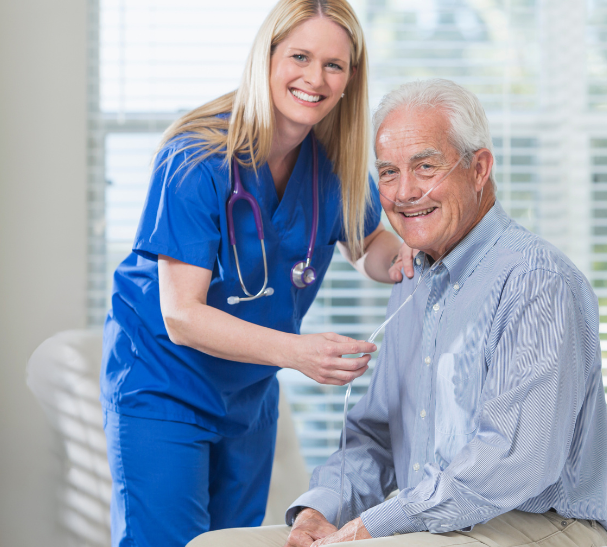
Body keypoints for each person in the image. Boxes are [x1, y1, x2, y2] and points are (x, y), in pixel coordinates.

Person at [187, 79, 607, 547]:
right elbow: (375, 438)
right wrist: (320, 509)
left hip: (543, 524)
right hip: (434, 521)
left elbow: (514, 460)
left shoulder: (536, 279)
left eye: (425, 166)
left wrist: (379, 522)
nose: (404, 192)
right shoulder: (413, 281)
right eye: (389, 172)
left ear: (479, 168)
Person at [99, 1, 416, 545]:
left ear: (350, 79)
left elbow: (367, 244)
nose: (314, 78)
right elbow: (180, 315)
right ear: (266, 58)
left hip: (247, 390)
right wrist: (298, 353)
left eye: (333, 65)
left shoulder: (331, 164)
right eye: (299, 56)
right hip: (163, 383)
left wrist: (403, 259)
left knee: (232, 543)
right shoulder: (198, 158)